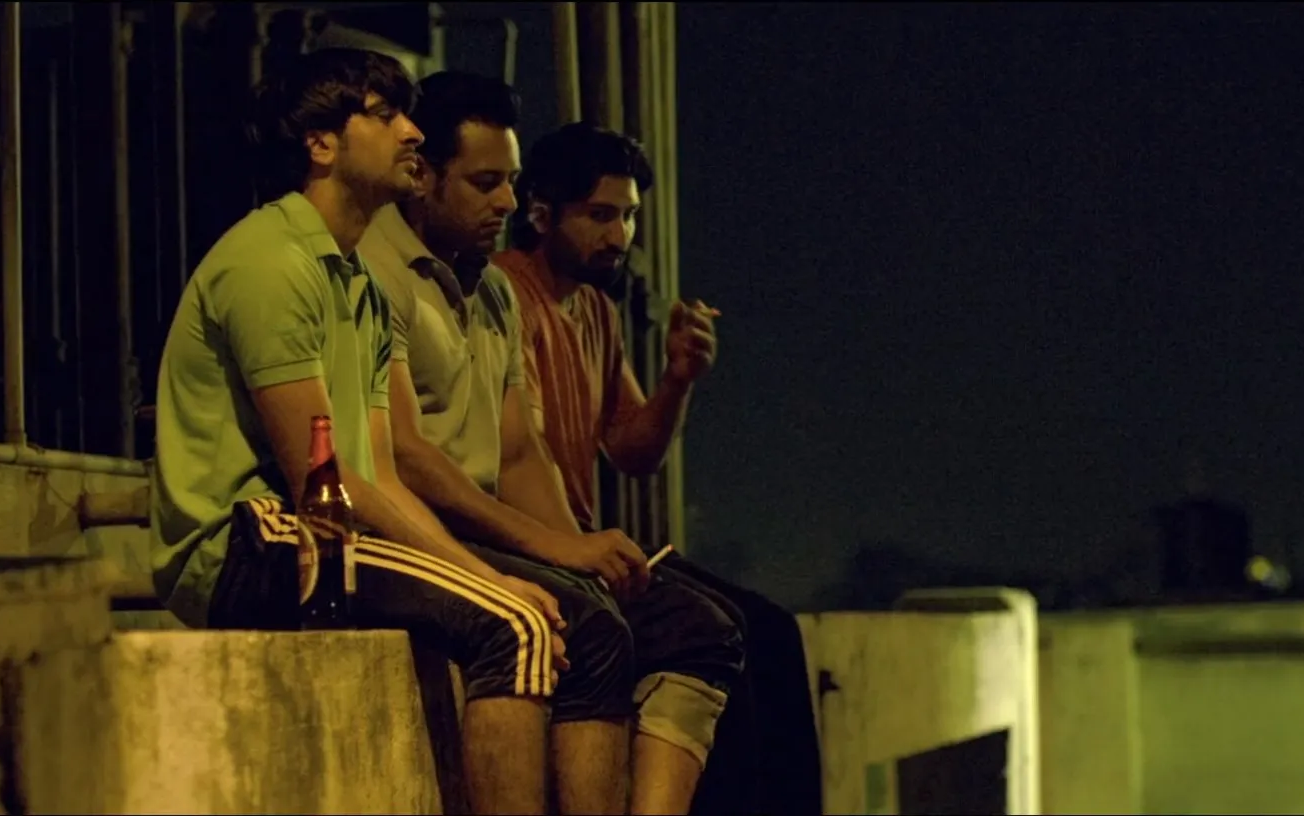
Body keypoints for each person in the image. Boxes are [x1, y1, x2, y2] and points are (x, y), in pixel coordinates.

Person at [147, 49, 564, 816]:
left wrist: (478, 571)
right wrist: (486, 583)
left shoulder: (360, 283)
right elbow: (324, 477)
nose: (412, 132)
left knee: (548, 614)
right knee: (513, 627)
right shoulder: (271, 263)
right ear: (320, 143)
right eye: (384, 115)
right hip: (245, 542)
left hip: (318, 529)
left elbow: (378, 476)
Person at [357, 71, 743, 816]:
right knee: (586, 629)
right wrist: (560, 552)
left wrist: (580, 550)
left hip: (498, 528)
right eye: (485, 183)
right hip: (427, 531)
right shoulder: (378, 275)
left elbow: (520, 454)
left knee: (708, 630)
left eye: (508, 181)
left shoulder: (493, 291)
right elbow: (404, 455)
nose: (505, 202)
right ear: (421, 176)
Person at [495, 122, 825, 815]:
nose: (619, 236)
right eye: (600, 215)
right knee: (716, 633)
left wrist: (679, 378)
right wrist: (578, 550)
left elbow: (631, 449)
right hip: (536, 546)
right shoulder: (506, 295)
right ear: (541, 213)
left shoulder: (593, 308)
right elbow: (519, 453)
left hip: (583, 544)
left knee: (772, 632)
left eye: (629, 216)